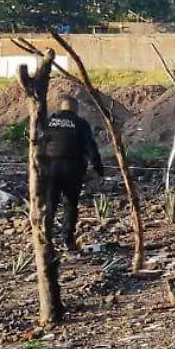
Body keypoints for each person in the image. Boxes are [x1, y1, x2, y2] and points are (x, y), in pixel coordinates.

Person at [34, 95, 104, 254]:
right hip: (73, 170)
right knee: (70, 205)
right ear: (75, 108)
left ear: (60, 107)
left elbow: (38, 145)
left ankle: (46, 239)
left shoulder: (49, 122)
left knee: (50, 205)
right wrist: (99, 170)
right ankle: (67, 239)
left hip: (51, 169)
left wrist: (38, 168)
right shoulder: (81, 124)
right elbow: (91, 148)